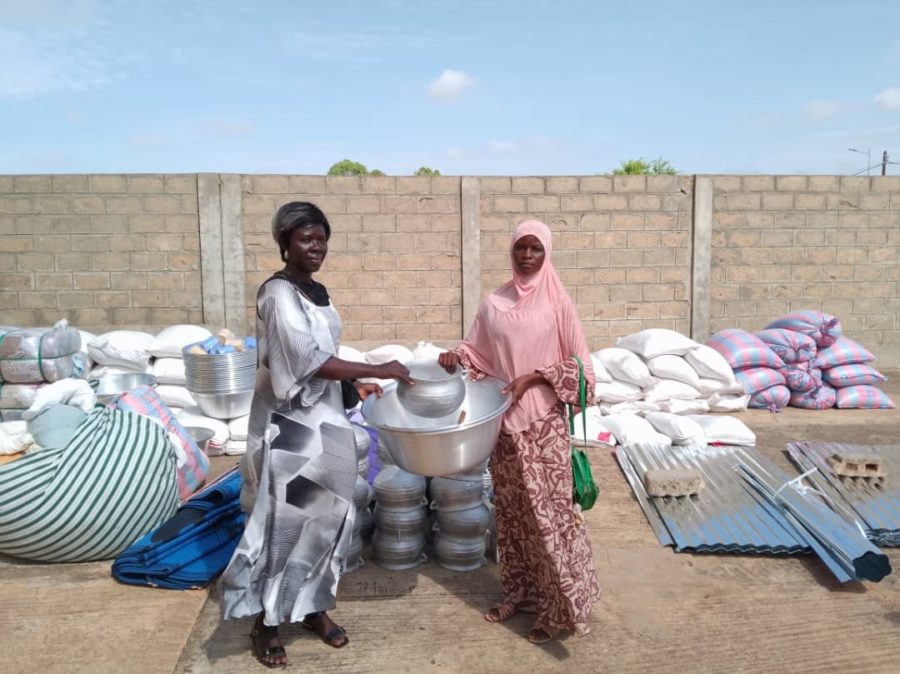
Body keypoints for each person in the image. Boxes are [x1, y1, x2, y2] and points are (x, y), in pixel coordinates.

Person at [220, 201, 412, 668]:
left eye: (322, 238)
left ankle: (313, 608)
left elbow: (325, 356)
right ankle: (265, 623)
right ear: (284, 243)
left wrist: (353, 384)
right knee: (285, 524)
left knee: (330, 520)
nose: (316, 247)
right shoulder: (277, 294)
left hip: (326, 423)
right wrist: (379, 367)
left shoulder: (317, 291)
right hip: (291, 429)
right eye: (306, 239)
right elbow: (304, 359)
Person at [438, 219, 601, 645]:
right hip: (504, 427)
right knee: (512, 520)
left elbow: (583, 370)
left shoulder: (557, 303)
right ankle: (518, 594)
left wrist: (535, 377)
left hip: (544, 426)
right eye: (520, 249)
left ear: (546, 254)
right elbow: (477, 353)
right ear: (510, 251)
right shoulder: (493, 303)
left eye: (536, 249)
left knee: (550, 520)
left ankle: (558, 608)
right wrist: (455, 356)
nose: (527, 256)